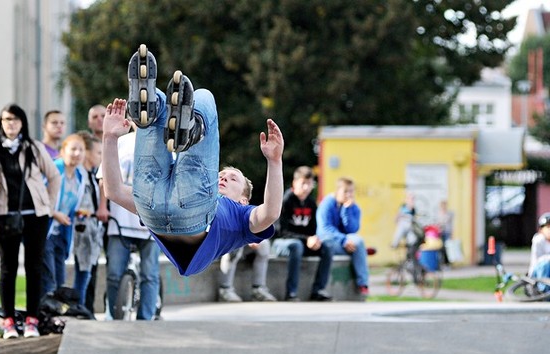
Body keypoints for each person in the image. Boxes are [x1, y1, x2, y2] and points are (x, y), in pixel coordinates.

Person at [101, 44, 283, 278]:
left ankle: (192, 126)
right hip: (155, 208)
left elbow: (270, 213)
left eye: (233, 178)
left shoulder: (243, 218)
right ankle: (152, 104)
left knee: (204, 96)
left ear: (244, 199)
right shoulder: (215, 196)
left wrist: (275, 161)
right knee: (158, 112)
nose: (224, 176)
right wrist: (109, 137)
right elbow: (114, 191)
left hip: (177, 210)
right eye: (223, 175)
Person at [0, 104, 60, 339]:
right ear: (1, 123)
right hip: (6, 216)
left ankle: (31, 321)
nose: (11, 124)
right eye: (6, 120)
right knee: (8, 268)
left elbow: (54, 176)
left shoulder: (35, 148)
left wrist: (48, 206)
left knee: (34, 268)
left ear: (23, 123)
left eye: (15, 120)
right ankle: (8, 322)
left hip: (35, 216)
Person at [97, 128, 162, 321]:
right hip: (121, 219)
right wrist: (103, 207)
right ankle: (112, 315)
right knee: (114, 273)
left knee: (150, 274)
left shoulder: (164, 143)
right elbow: (104, 178)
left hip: (152, 222)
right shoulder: (121, 142)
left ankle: (146, 318)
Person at [273, 166, 333, 302]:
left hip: (303, 242)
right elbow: (281, 231)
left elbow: (312, 230)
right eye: (303, 184)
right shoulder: (286, 200)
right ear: (295, 183)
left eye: (310, 184)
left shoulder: (311, 203)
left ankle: (318, 290)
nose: (306, 188)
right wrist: (307, 239)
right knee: (296, 246)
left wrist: (315, 240)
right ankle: (291, 292)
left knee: (328, 247)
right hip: (282, 243)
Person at [41, 133, 86, 297]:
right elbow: (39, 197)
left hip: (62, 232)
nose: (77, 153)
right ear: (63, 150)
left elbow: (72, 204)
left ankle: (55, 316)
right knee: (48, 279)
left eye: (81, 150)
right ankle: (43, 316)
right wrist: (55, 213)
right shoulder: (54, 169)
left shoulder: (80, 176)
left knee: (60, 279)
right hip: (46, 230)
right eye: (73, 149)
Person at [317, 177, 370, 296]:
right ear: (337, 191)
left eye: (351, 191)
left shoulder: (354, 208)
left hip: (346, 243)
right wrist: (343, 240)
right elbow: (325, 228)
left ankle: (363, 283)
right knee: (350, 245)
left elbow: (353, 229)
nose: (349, 195)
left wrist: (346, 211)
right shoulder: (327, 204)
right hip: (328, 241)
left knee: (358, 242)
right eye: (345, 191)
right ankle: (362, 252)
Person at [77, 130, 109, 313]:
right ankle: (80, 309)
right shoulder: (81, 175)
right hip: (81, 231)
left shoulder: (90, 174)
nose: (101, 157)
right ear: (87, 153)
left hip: (91, 232)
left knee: (88, 273)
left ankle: (85, 308)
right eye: (98, 153)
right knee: (82, 273)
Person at [529, 213, 550, 278]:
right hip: (538, 272)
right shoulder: (538, 239)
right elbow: (538, 260)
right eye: (548, 227)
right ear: (541, 230)